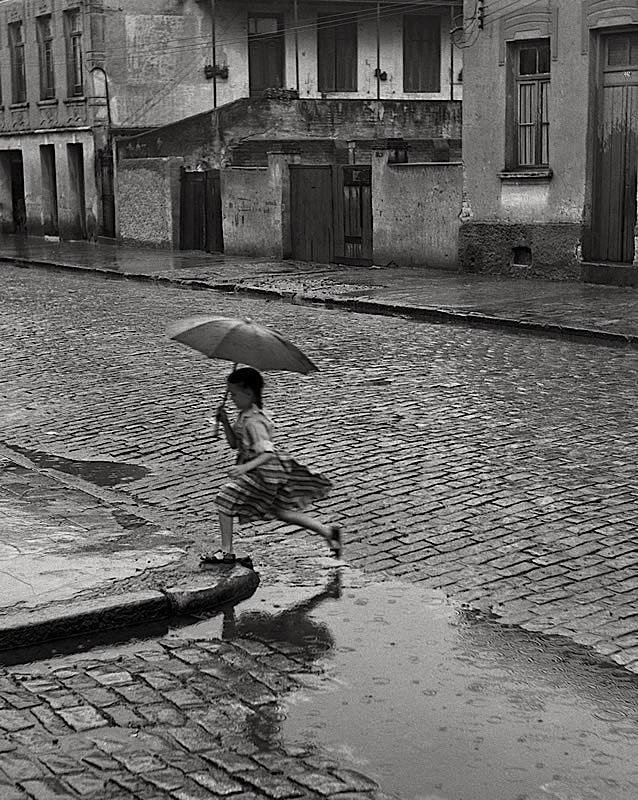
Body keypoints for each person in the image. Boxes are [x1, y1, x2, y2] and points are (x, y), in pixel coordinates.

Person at [201, 366, 341, 566]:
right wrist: (224, 422)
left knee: (225, 498)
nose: (231, 399)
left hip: (263, 473)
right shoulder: (245, 415)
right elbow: (234, 444)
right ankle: (328, 533)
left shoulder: (254, 422)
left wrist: (243, 469)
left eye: (234, 394)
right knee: (280, 511)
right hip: (264, 471)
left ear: (249, 393)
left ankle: (226, 551)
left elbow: (267, 453)